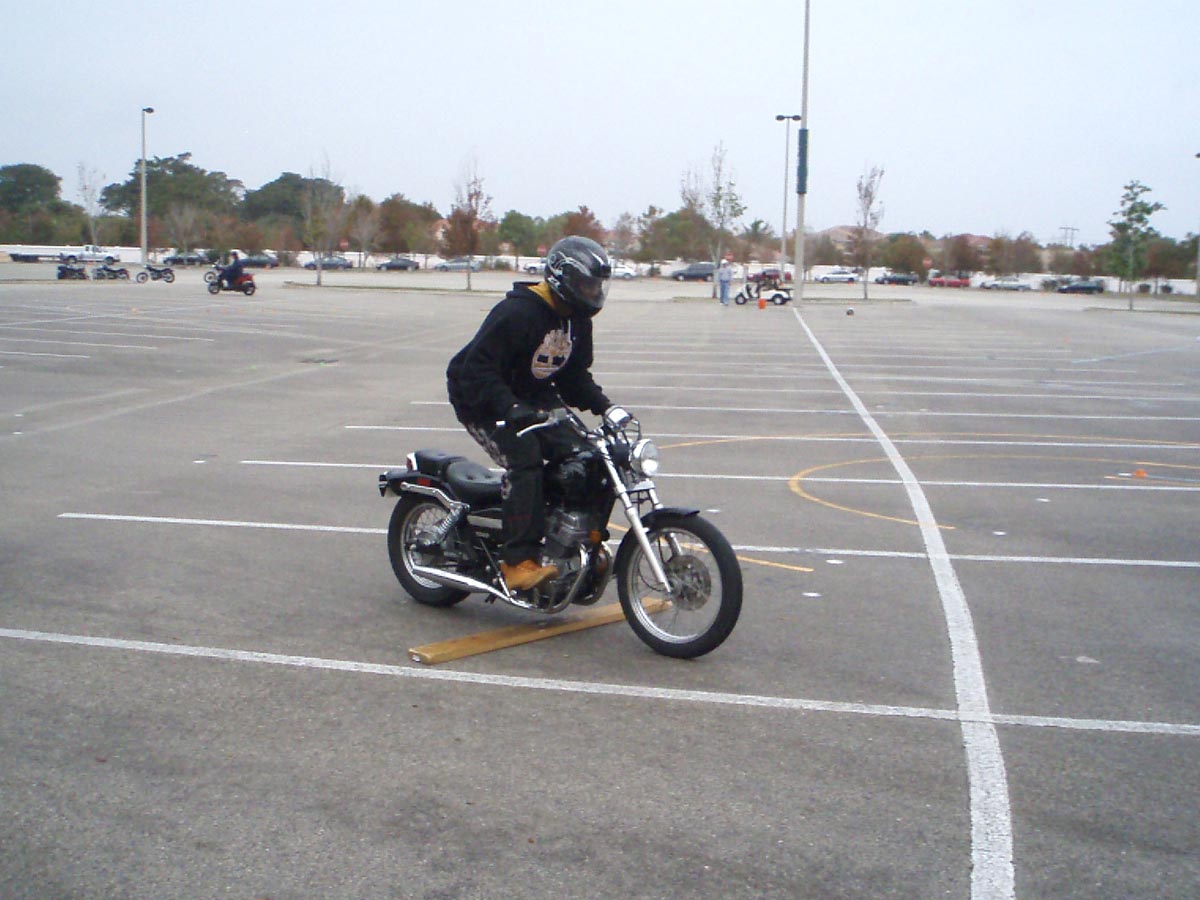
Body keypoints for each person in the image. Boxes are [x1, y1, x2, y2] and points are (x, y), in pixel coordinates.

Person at [446, 235, 631, 592]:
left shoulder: (578, 320)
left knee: (587, 457)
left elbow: (573, 376)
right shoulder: (517, 313)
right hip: (481, 397)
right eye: (587, 284)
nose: (593, 292)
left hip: (532, 395)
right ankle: (517, 561)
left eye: (597, 285)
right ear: (563, 277)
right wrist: (509, 407)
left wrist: (606, 407)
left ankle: (575, 541)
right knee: (525, 458)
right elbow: (477, 369)